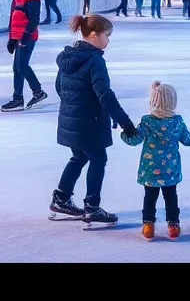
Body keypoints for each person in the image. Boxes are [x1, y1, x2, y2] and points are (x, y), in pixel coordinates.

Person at [49, 14, 139, 225]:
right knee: (98, 158)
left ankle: (60, 199)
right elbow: (105, 95)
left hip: (71, 119)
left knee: (79, 156)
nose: (108, 40)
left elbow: (59, 87)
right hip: (89, 121)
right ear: (93, 34)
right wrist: (126, 123)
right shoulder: (95, 60)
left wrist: (74, 108)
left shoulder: (67, 57)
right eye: (107, 35)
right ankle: (92, 207)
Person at [121, 81, 190, 241]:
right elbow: (188, 140)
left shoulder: (147, 121)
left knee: (149, 197)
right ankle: (173, 225)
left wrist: (124, 134)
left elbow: (134, 140)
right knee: (171, 196)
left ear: (153, 101)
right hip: (170, 170)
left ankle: (148, 225)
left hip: (150, 169)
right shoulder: (177, 121)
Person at [1, 0, 47, 112]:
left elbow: (34, 18)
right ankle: (18, 98)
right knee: (17, 68)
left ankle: (37, 91)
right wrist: (11, 38)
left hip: (27, 36)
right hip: (18, 36)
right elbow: (13, 18)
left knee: (22, 66)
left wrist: (26, 36)